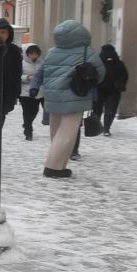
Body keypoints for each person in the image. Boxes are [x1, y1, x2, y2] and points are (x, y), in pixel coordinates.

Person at [40, 19, 102, 179]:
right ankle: (53, 167)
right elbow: (99, 73)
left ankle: (60, 165)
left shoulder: (52, 52)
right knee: (68, 132)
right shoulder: (87, 51)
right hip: (75, 95)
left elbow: (45, 71)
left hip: (53, 95)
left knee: (56, 130)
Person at [0, 20, 24, 137]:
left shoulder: (13, 51)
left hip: (6, 91)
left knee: (0, 120)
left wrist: (16, 92)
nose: (2, 35)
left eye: (4, 32)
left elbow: (17, 73)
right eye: (0, 32)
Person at [91, 43, 129, 136]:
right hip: (114, 90)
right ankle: (106, 129)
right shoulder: (119, 63)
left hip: (99, 88)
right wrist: (121, 84)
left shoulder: (97, 63)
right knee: (110, 110)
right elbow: (125, 75)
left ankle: (96, 127)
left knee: (97, 109)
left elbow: (92, 75)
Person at [18, 44, 43, 140]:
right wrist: (27, 78)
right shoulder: (21, 63)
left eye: (36, 53)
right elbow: (17, 76)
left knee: (35, 111)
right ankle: (28, 132)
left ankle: (27, 123)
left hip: (38, 91)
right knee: (27, 112)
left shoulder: (42, 63)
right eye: (31, 53)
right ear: (27, 54)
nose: (34, 55)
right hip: (25, 92)